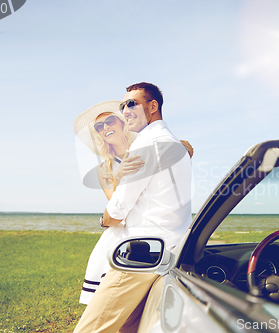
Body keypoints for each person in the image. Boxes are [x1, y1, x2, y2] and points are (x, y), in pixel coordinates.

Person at [74, 82, 193, 333]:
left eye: (131, 103)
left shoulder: (147, 144)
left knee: (90, 329)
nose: (126, 109)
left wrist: (104, 220)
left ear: (153, 106)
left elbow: (117, 210)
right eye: (123, 105)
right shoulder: (168, 142)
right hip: (168, 248)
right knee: (130, 326)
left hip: (139, 252)